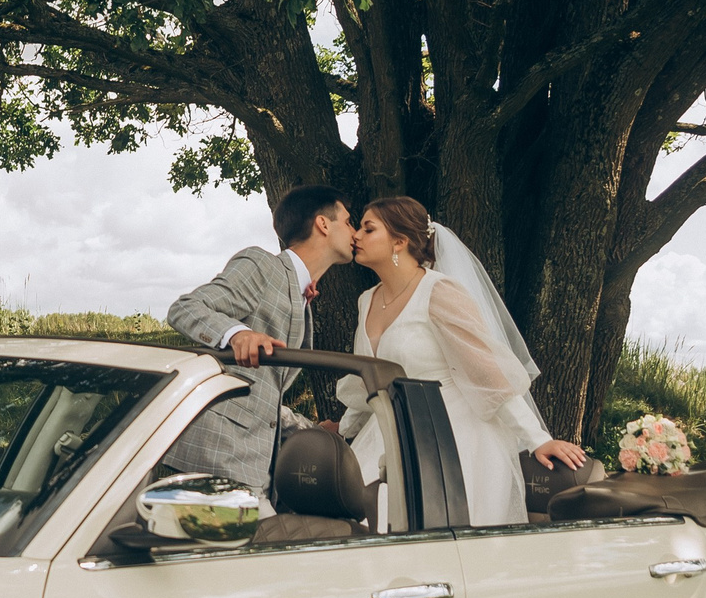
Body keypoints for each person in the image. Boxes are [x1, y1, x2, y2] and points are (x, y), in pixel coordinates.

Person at [335, 196, 588, 525]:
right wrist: (341, 433)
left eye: (368, 229)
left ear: (400, 241)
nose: (355, 235)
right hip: (390, 432)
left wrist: (538, 439)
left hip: (452, 439)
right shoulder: (366, 299)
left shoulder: (440, 292)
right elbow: (366, 380)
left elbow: (487, 374)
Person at [163, 185, 357, 496]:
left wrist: (311, 430)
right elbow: (186, 309)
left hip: (255, 467)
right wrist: (237, 334)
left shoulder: (302, 295)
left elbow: (261, 391)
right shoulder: (263, 265)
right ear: (323, 224)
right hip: (216, 457)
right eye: (348, 221)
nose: (354, 231)